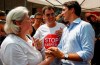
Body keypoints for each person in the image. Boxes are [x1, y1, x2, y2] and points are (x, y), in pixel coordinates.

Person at [46, 1, 95, 65]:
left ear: (72, 10)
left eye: (63, 10)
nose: (62, 13)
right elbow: (61, 48)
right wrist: (52, 51)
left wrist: (64, 55)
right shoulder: (66, 29)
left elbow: (88, 53)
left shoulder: (85, 26)